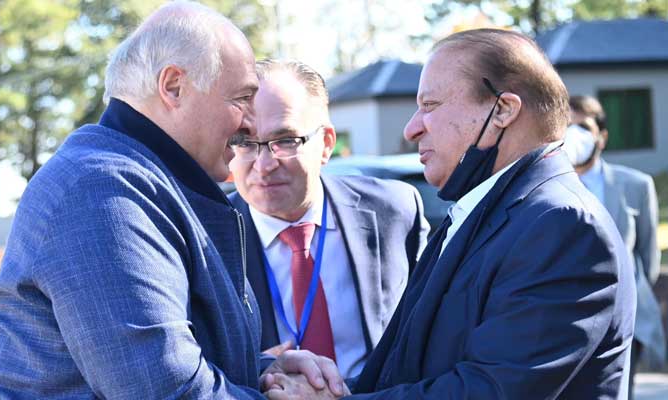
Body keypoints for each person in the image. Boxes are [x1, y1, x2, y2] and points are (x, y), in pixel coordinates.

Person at [0, 2, 344, 399]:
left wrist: (265, 371)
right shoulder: (101, 193)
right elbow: (162, 389)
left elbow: (171, 355)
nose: (250, 124)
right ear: (173, 87)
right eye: (241, 98)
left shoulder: (148, 185)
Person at [263, 28, 636, 400]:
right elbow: (403, 372)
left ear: (502, 110)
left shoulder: (562, 227)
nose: (412, 129)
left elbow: (493, 390)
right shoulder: (485, 212)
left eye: (431, 105)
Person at [228, 60, 430, 379]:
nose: (264, 164)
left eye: (285, 141)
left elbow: (428, 337)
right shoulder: (201, 238)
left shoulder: (394, 211)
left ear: (326, 144)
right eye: (245, 142)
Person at [567, 95, 665, 400]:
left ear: (602, 136)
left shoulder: (635, 185)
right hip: (570, 318)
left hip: (623, 319)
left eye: (583, 126)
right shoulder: (549, 188)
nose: (575, 135)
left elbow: (647, 257)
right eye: (567, 126)